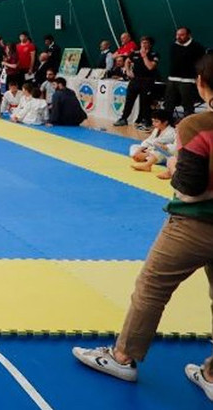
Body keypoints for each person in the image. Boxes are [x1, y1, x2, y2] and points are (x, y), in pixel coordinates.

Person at [72, 54, 213, 403]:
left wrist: (176, 164)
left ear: (201, 84)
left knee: (152, 286)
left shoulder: (196, 127)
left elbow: (189, 190)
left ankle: (122, 357)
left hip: (194, 226)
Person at [114, 36, 160, 131]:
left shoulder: (154, 54)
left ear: (150, 44)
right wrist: (128, 70)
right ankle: (124, 118)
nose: (143, 44)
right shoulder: (135, 53)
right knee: (129, 100)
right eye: (142, 42)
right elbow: (127, 60)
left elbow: (150, 67)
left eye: (146, 42)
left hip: (147, 81)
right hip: (135, 80)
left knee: (145, 102)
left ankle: (146, 121)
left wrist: (144, 56)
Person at [164, 27, 205, 120]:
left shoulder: (196, 46)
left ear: (189, 35)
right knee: (169, 103)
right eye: (177, 35)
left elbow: (201, 63)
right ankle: (167, 124)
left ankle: (189, 125)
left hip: (187, 80)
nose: (178, 37)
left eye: (181, 35)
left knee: (187, 105)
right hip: (172, 79)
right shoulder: (173, 46)